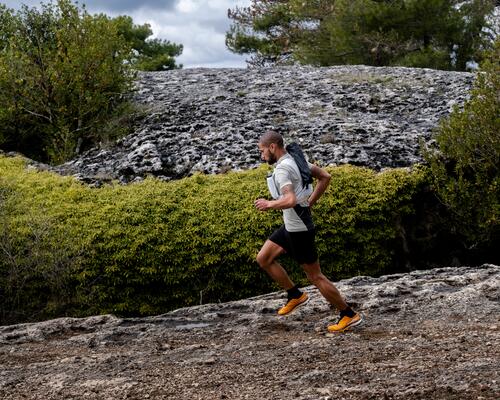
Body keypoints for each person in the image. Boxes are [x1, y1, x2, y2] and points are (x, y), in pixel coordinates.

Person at [254, 130, 363, 333]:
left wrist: (269, 204)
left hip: (299, 230)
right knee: (264, 258)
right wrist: (310, 202)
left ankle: (348, 314)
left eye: (262, 151)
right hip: (291, 225)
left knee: (316, 277)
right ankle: (295, 295)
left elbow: (290, 200)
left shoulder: (283, 170)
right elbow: (325, 176)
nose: (261, 156)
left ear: (272, 147)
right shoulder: (297, 159)